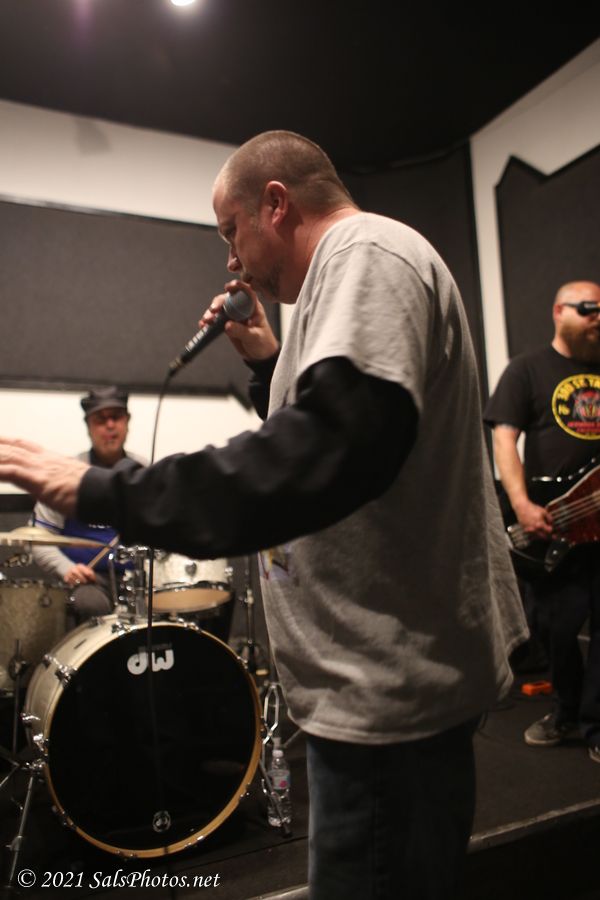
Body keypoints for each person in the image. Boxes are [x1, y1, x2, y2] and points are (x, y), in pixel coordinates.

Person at [0, 131, 527, 900]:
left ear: (275, 204)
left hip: (390, 702)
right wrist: (267, 366)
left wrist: (99, 490)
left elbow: (321, 456)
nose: (231, 259)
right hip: (372, 693)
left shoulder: (366, 254)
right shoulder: (340, 280)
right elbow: (343, 430)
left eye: (230, 231)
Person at [484, 280, 600, 763]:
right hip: (555, 522)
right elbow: (504, 439)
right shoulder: (528, 369)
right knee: (557, 628)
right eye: (588, 308)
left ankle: (596, 724)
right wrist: (521, 504)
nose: (597, 317)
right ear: (558, 311)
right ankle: (566, 710)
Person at [32, 386, 141, 625]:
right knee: (90, 605)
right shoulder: (65, 475)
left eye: (116, 417)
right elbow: (40, 540)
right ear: (88, 426)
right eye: (100, 419)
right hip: (89, 583)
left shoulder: (145, 473)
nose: (110, 425)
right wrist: (67, 569)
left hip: (139, 581)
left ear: (127, 422)